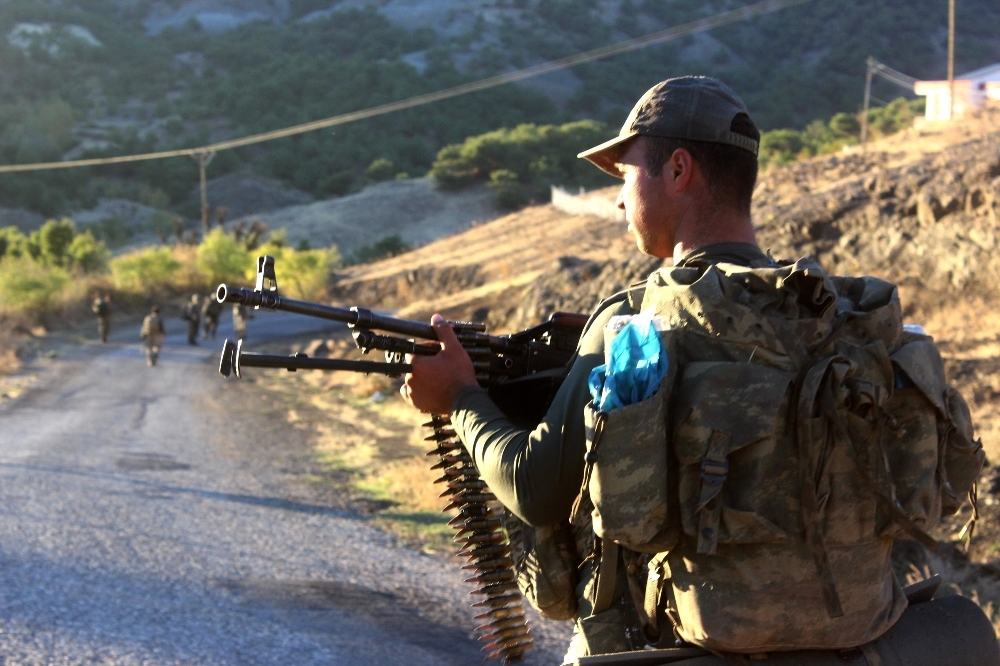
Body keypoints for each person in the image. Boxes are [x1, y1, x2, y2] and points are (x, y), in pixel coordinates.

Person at [401, 77, 990, 664]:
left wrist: (459, 398)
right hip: (857, 639)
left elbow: (533, 489)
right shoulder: (840, 319)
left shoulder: (634, 323)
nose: (619, 200)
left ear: (678, 170)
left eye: (628, 174)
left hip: (684, 647)